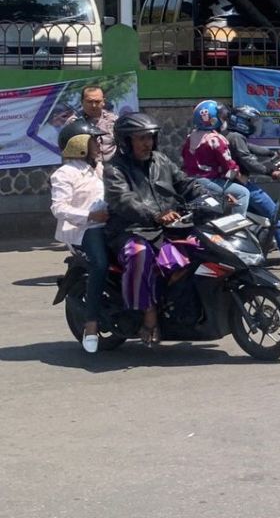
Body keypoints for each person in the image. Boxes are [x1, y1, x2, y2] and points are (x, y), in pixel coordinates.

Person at [104, 112, 212, 346]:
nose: (147, 143)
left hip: (167, 227)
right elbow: (123, 200)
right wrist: (154, 215)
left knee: (197, 250)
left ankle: (181, 307)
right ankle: (148, 314)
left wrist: (207, 196)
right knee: (139, 254)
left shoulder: (161, 160)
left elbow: (184, 182)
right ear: (126, 141)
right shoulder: (114, 169)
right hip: (131, 229)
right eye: (141, 138)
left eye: (150, 137)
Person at [221, 105, 280, 268]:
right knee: (275, 213)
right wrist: (270, 171)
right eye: (250, 121)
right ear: (242, 121)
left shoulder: (234, 137)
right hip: (242, 185)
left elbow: (251, 149)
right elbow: (246, 158)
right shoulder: (235, 137)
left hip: (239, 183)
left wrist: (272, 153)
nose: (253, 124)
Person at [50, 120, 109, 352]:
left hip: (107, 225)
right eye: (93, 139)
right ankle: (92, 321)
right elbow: (59, 208)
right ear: (79, 144)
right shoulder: (64, 174)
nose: (98, 143)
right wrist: (90, 216)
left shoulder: (99, 168)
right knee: (101, 265)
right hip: (84, 231)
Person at [182, 100, 250, 215]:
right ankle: (238, 226)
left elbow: (184, 158)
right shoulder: (216, 139)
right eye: (221, 117)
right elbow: (229, 166)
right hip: (209, 180)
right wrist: (239, 176)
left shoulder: (190, 137)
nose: (223, 120)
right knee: (243, 192)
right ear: (213, 119)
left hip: (191, 180)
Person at [79, 84, 117, 161]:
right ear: (82, 102)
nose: (93, 105)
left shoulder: (113, 120)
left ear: (103, 102)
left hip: (111, 169)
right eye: (89, 101)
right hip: (85, 169)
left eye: (97, 101)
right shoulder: (74, 123)